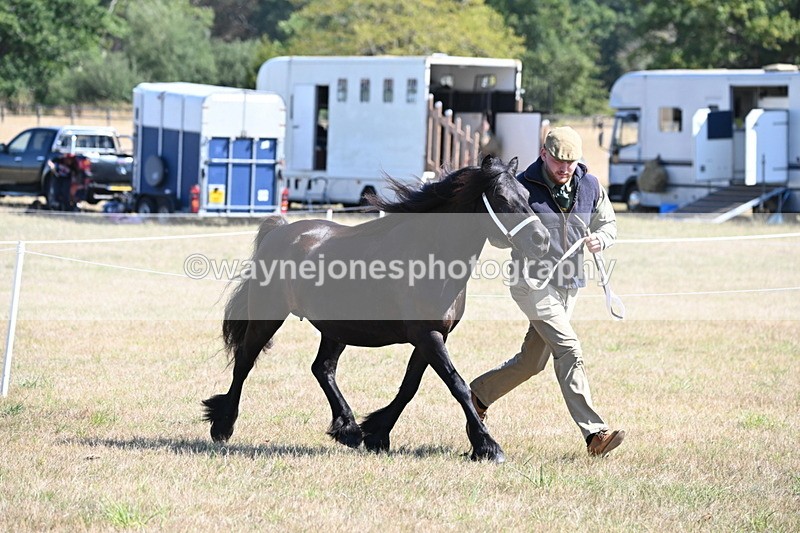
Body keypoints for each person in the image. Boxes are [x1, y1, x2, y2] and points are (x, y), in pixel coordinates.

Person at [469, 126, 625, 457]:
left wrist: (602, 239)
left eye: (571, 163)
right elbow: (497, 235)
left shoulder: (591, 186)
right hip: (531, 283)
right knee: (569, 349)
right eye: (558, 162)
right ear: (544, 154)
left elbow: (608, 224)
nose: (564, 169)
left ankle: (478, 395)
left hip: (569, 284)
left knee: (532, 362)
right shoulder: (521, 187)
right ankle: (595, 434)